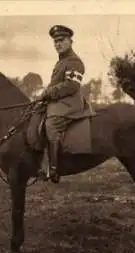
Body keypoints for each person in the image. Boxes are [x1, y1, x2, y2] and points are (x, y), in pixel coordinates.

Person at [39, 25, 95, 183]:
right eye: (55, 41)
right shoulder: (61, 62)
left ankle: (55, 168)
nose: (58, 44)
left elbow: (71, 86)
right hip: (59, 100)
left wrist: (49, 93)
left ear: (71, 41)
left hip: (69, 102)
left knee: (51, 124)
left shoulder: (74, 61)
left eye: (61, 40)